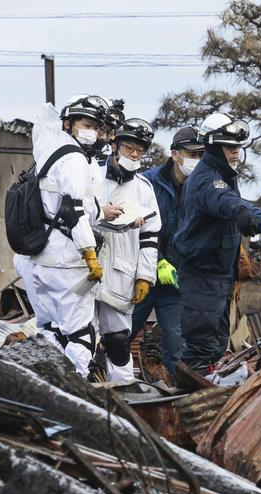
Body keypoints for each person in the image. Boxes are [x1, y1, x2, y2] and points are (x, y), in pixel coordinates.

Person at [174, 112, 261, 374]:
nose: (236, 152)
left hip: (220, 276)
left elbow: (239, 203)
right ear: (214, 148)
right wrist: (245, 216)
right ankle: (192, 401)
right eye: (229, 147)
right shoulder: (207, 179)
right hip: (202, 276)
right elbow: (228, 203)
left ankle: (207, 392)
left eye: (238, 147)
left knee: (215, 346)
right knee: (201, 348)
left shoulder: (225, 176)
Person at [29, 95, 107, 376]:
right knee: (80, 335)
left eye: (96, 126)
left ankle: (46, 389)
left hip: (42, 257)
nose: (93, 131)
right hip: (67, 260)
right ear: (68, 124)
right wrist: (89, 254)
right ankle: (78, 395)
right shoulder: (74, 158)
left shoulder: (48, 151)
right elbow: (74, 210)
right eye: (87, 124)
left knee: (51, 333)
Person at [94, 117, 161, 385]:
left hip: (122, 271)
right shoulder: (91, 174)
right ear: (114, 146)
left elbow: (151, 235)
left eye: (140, 150)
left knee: (119, 339)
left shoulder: (144, 189)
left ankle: (124, 390)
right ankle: (81, 388)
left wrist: (145, 275)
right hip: (85, 267)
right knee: (80, 334)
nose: (134, 155)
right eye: (129, 148)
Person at [133, 126, 203, 377]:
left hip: (176, 282)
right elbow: (137, 226)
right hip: (142, 275)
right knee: (121, 333)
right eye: (192, 154)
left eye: (202, 154)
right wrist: (158, 262)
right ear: (176, 155)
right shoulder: (148, 182)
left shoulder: (201, 188)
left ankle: (180, 401)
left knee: (177, 344)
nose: (197, 160)